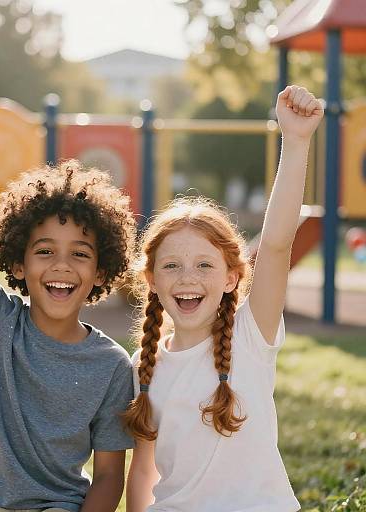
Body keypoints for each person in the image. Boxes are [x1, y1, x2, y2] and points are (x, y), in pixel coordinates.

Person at [0, 62, 137, 512]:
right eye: (44, 251)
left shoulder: (112, 366)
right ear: (17, 261)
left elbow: (109, 475)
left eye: (80, 253)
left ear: (100, 271)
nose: (62, 265)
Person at [123, 85, 324, 512]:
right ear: (152, 280)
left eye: (204, 265)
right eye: (171, 265)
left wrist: (297, 141)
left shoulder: (251, 334)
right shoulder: (145, 366)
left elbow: (274, 244)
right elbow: (143, 472)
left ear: (233, 277)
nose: (187, 278)